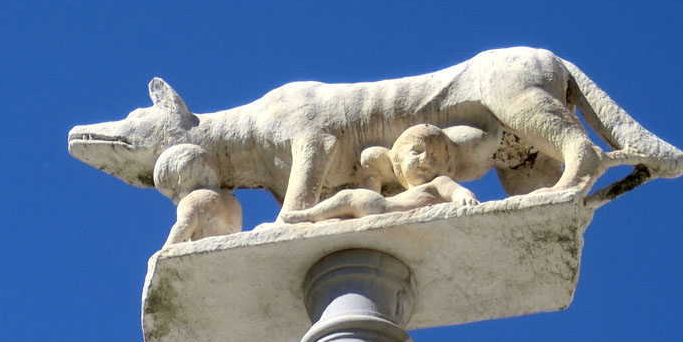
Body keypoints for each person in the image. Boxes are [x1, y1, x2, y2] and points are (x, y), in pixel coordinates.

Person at [280, 124, 479, 224]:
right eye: (417, 152)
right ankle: (306, 215)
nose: (425, 159)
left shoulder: (438, 183)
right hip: (376, 204)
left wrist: (464, 197)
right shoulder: (394, 191)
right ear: (398, 159)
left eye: (434, 158)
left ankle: (310, 215)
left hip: (380, 208)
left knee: (346, 201)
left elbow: (455, 191)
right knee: (346, 198)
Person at [152, 144, 243, 246]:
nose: (174, 200)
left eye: (174, 191)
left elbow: (183, 227)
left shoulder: (192, 200)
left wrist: (164, 253)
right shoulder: (231, 200)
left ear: (182, 176)